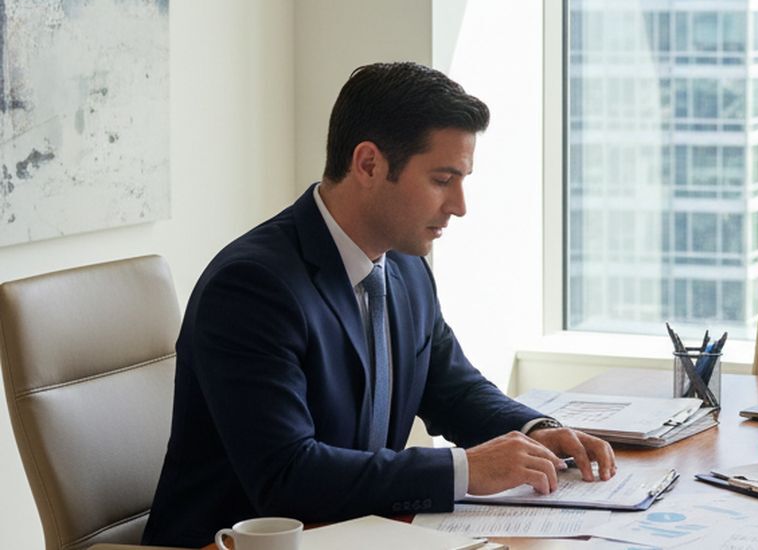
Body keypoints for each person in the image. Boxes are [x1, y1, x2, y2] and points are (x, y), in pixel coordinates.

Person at [144, 62, 615, 547]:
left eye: (462, 179)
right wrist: (464, 469)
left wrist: (533, 429)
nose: (459, 205)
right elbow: (288, 476)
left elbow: (451, 388)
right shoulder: (252, 287)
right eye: (442, 179)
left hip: (354, 534)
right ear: (368, 164)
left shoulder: (405, 266)